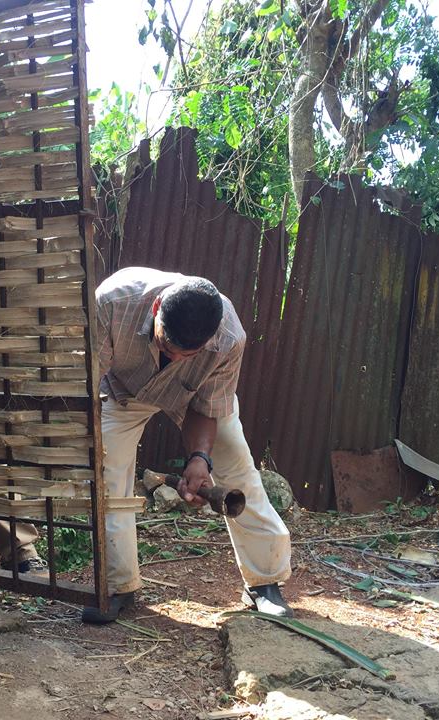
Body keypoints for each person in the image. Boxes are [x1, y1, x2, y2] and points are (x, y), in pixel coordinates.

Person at [82, 267, 292, 624]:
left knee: (238, 469)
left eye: (189, 354)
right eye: (168, 347)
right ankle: (118, 585)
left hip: (191, 394)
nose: (176, 359)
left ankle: (265, 582)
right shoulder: (113, 302)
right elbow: (87, 380)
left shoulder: (229, 337)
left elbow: (208, 407)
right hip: (125, 391)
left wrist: (199, 459)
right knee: (107, 471)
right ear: (156, 309)